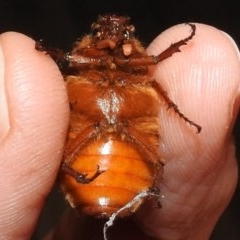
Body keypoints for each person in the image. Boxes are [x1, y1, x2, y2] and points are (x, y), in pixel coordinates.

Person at [0, 23, 239, 240]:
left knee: (153, 87)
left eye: (124, 33)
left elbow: (154, 61)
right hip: (85, 162)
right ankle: (77, 169)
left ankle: (151, 174)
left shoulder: (143, 76)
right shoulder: (81, 68)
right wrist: (55, 53)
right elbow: (73, 58)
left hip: (127, 161)